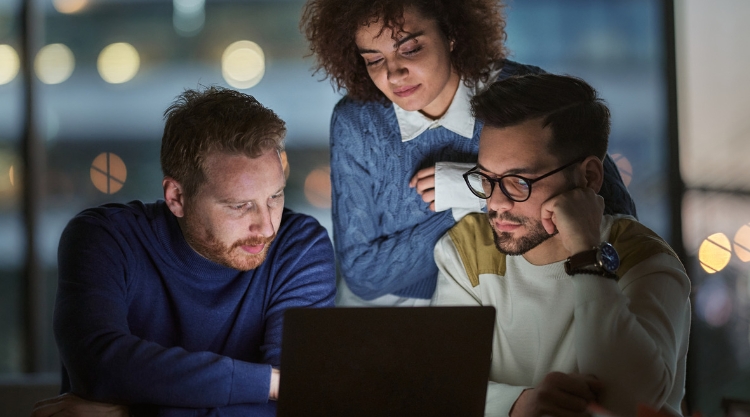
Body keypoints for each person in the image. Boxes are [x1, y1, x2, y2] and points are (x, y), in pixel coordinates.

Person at [301, 0, 636, 306]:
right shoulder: (356, 121)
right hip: (386, 323)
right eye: (374, 59)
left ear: (451, 34)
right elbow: (363, 274)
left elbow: (615, 217)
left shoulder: (526, 94)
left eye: (411, 48)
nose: (392, 73)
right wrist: (461, 207)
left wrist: (473, 189)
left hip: (507, 312)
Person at [31, 87, 337, 417]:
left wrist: (130, 411)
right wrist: (267, 384)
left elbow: (295, 401)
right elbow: (99, 364)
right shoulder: (104, 239)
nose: (265, 227)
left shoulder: (300, 247)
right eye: (239, 205)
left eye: (275, 197)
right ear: (176, 197)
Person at [431, 73, 691, 417]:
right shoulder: (468, 250)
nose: (496, 203)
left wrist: (586, 252)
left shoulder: (643, 258)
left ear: (589, 178)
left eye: (518, 182)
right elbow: (442, 388)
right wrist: (518, 405)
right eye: (486, 179)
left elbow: (631, 402)